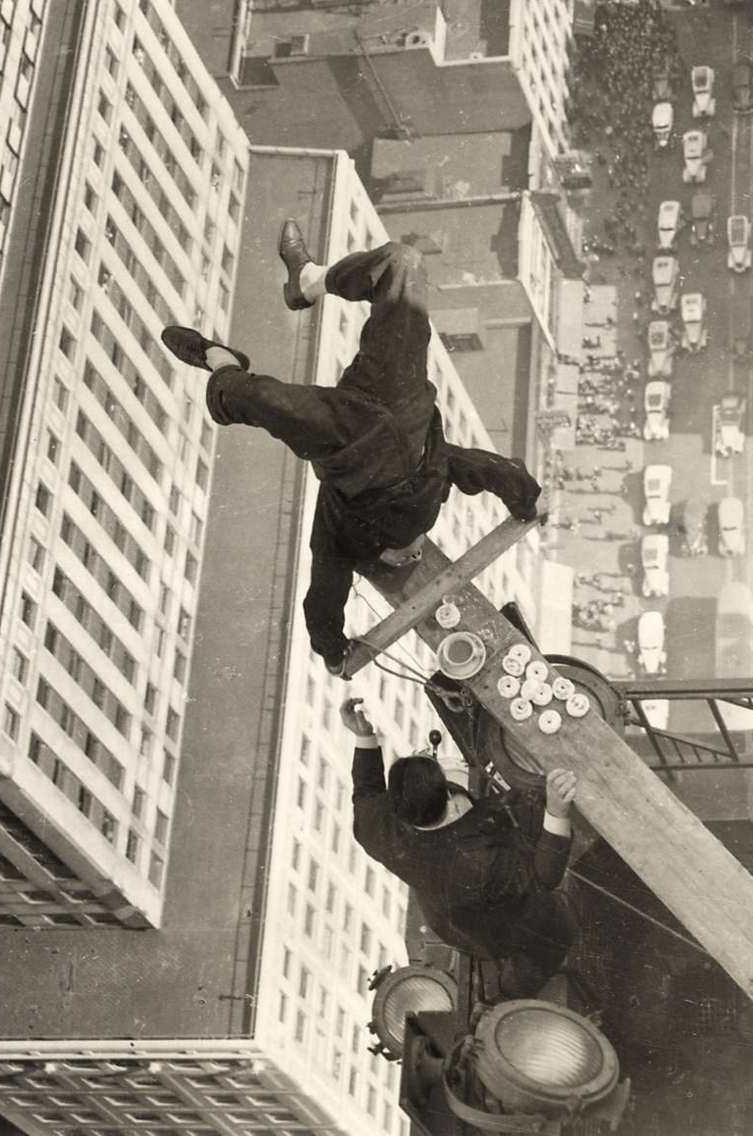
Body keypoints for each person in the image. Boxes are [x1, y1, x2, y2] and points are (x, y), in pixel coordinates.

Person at [161, 226, 542, 675]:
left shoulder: (341, 536)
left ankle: (218, 359)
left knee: (259, 399)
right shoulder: (434, 489)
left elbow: (323, 595)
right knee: (401, 264)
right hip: (398, 395)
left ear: (377, 558)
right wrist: (528, 498)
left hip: (345, 437)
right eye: (417, 556)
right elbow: (484, 468)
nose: (412, 554)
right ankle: (307, 281)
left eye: (403, 562)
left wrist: (333, 650)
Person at [341, 697, 579, 992]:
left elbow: (366, 791)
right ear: (446, 794)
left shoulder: (375, 829)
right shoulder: (479, 864)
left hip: (449, 918)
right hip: (494, 929)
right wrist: (557, 812)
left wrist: (364, 737)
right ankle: (513, 988)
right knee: (559, 930)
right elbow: (545, 876)